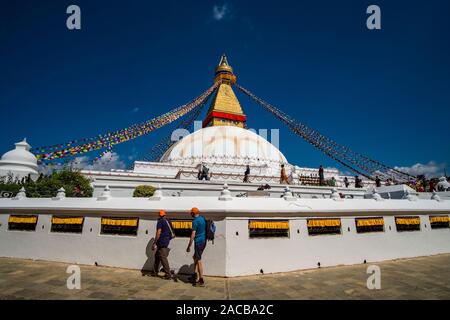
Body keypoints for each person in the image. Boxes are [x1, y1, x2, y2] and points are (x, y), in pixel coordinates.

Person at [186, 207, 207, 287]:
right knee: (195, 257)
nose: (190, 214)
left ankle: (201, 280)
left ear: (193, 213)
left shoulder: (195, 221)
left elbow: (193, 235)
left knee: (198, 260)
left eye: (191, 213)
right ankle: (194, 275)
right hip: (203, 241)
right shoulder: (202, 218)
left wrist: (189, 246)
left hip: (198, 242)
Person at [152, 210, 174, 280]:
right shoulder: (168, 221)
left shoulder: (160, 221)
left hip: (162, 241)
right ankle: (155, 272)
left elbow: (158, 233)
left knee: (163, 258)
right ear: (165, 214)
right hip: (166, 240)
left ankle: (168, 275)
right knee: (157, 256)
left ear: (159, 215)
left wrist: (154, 242)